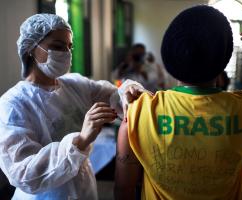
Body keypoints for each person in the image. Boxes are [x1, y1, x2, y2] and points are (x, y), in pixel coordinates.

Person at [114, 5, 242, 200]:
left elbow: (124, 189)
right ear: (223, 60)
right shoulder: (241, 109)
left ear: (170, 56)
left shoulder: (139, 111)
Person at [0, 13, 145, 200]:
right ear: (30, 48)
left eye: (69, 47)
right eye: (57, 47)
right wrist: (82, 140)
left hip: (84, 188)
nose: (66, 53)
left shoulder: (75, 85)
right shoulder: (13, 105)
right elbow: (24, 174)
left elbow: (114, 97)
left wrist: (128, 89)